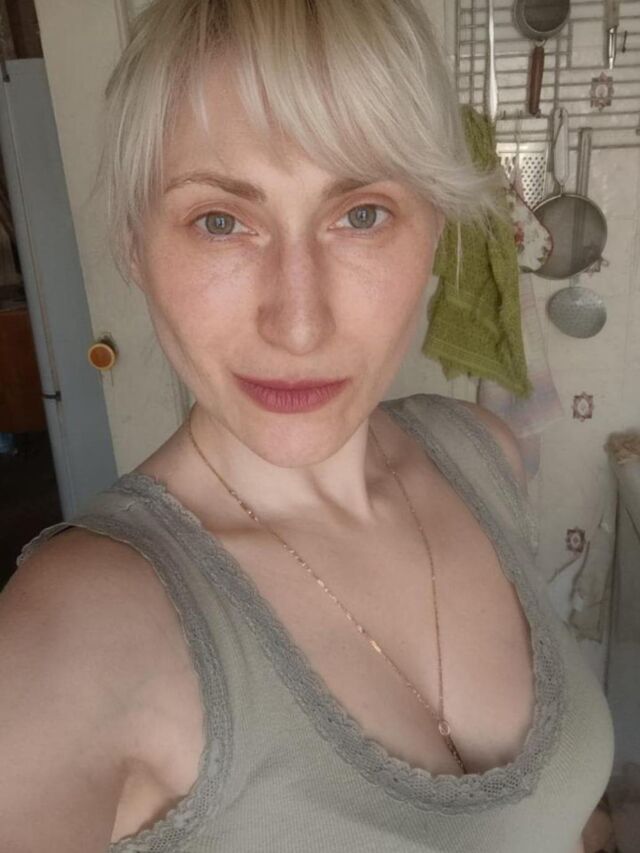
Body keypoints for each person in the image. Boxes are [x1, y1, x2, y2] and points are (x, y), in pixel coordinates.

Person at [0, 1, 613, 850]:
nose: (298, 324)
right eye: (221, 221)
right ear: (135, 245)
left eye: (362, 214)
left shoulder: (483, 454)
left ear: (434, 228)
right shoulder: (73, 631)